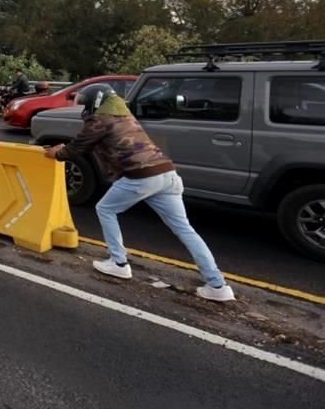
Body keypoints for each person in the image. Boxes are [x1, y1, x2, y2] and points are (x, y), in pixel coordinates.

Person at [45, 84, 235, 302]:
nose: (84, 108)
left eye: (86, 103)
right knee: (185, 230)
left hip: (142, 176)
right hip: (168, 174)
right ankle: (218, 285)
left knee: (105, 209)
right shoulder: (126, 117)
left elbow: (76, 148)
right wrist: (66, 148)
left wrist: (56, 153)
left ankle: (118, 263)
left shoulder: (101, 119)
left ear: (96, 102)